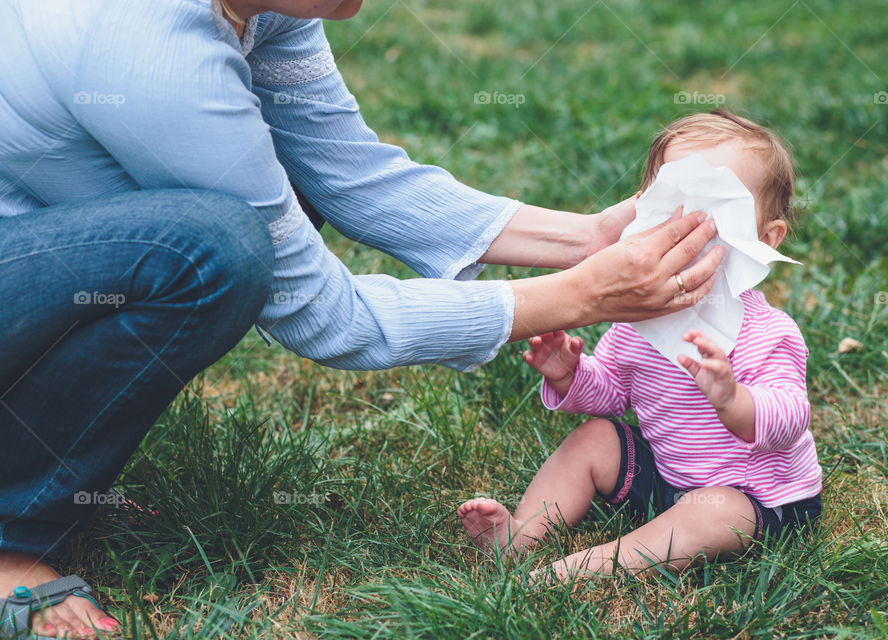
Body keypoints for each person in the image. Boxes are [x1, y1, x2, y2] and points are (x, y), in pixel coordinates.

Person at [0, 0, 725, 636]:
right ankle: (11, 534)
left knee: (263, 202)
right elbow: (325, 316)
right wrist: (581, 296)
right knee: (218, 249)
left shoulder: (268, 6)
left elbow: (349, 170)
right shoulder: (148, 50)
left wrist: (589, 239)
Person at [458, 110, 823, 582]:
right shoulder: (640, 319)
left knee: (713, 514)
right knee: (595, 436)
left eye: (716, 209)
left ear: (766, 238)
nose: (690, 226)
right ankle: (520, 535)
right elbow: (612, 392)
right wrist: (571, 374)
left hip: (757, 499)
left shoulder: (768, 331)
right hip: (668, 478)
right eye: (673, 201)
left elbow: (791, 418)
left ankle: (587, 568)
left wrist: (734, 400)